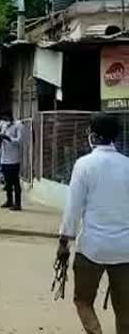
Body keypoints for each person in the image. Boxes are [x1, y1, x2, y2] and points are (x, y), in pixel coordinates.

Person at [58, 113, 129, 334]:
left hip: (91, 248)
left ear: (94, 136)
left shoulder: (84, 165)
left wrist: (64, 241)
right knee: (125, 312)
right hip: (125, 249)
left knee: (83, 301)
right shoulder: (127, 165)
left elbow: (73, 208)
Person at [0, 113, 22, 210]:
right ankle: (9, 200)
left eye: (6, 118)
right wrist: (1, 136)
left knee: (15, 182)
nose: (4, 121)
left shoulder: (18, 126)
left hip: (14, 159)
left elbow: (19, 141)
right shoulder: (3, 126)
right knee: (7, 182)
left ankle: (17, 203)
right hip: (4, 159)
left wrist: (8, 138)